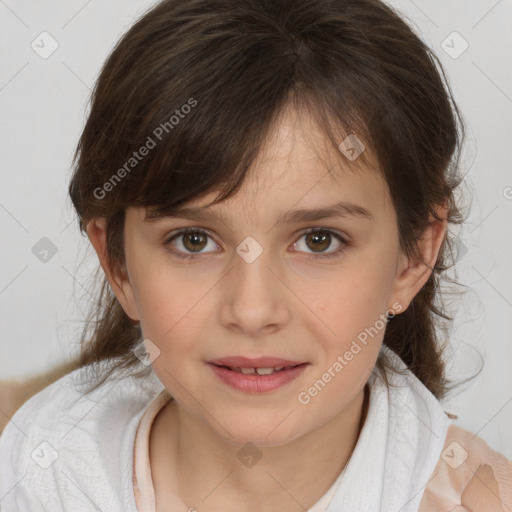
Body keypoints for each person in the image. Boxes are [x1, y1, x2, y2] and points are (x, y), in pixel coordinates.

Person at [1, 0, 511, 510]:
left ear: (413, 256)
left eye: (318, 240)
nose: (251, 311)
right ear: (118, 266)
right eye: (194, 240)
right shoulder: (31, 475)